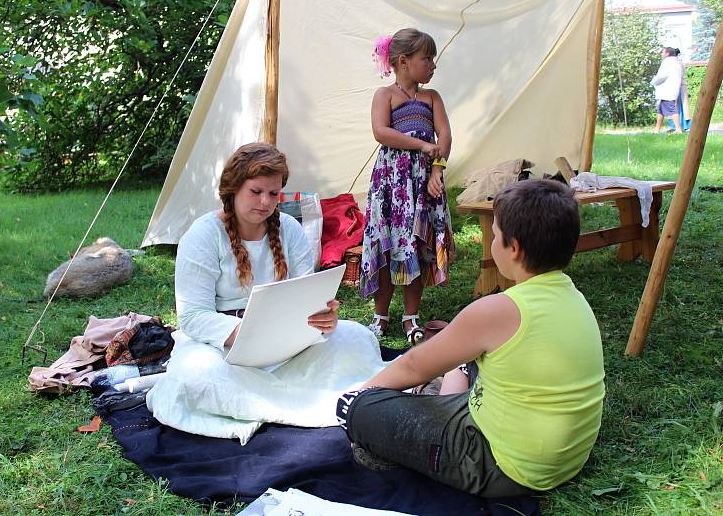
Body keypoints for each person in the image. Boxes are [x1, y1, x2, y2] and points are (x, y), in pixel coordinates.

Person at [337, 179, 605, 498]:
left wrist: (363, 395)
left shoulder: (496, 311)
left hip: (502, 467)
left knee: (358, 408)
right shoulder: (573, 297)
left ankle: (416, 412)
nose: (492, 243)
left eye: (496, 236)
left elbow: (412, 366)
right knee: (467, 358)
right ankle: (446, 390)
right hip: (563, 457)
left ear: (514, 248)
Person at [146, 142, 387, 444]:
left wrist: (323, 317)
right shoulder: (203, 234)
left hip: (285, 340)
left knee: (356, 336)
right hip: (223, 345)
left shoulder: (289, 228)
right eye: (256, 191)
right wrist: (244, 333)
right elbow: (194, 316)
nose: (265, 201)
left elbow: (305, 293)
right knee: (197, 374)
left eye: (273, 193)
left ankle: (282, 397)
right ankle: (310, 405)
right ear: (233, 188)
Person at [361, 28, 456, 344]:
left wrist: (437, 172)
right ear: (403, 61)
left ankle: (411, 316)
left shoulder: (432, 97)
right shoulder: (384, 95)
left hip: (423, 185)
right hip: (392, 184)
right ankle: (381, 314)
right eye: (427, 58)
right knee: (389, 247)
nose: (432, 65)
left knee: (416, 244)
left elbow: (444, 136)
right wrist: (420, 146)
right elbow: (381, 132)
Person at [651, 47, 684, 134]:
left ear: (667, 53)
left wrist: (653, 81)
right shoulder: (677, 62)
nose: (661, 54)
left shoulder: (667, 62)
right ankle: (657, 129)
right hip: (671, 89)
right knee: (661, 111)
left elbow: (662, 76)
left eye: (662, 52)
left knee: (672, 109)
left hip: (667, 90)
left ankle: (678, 129)